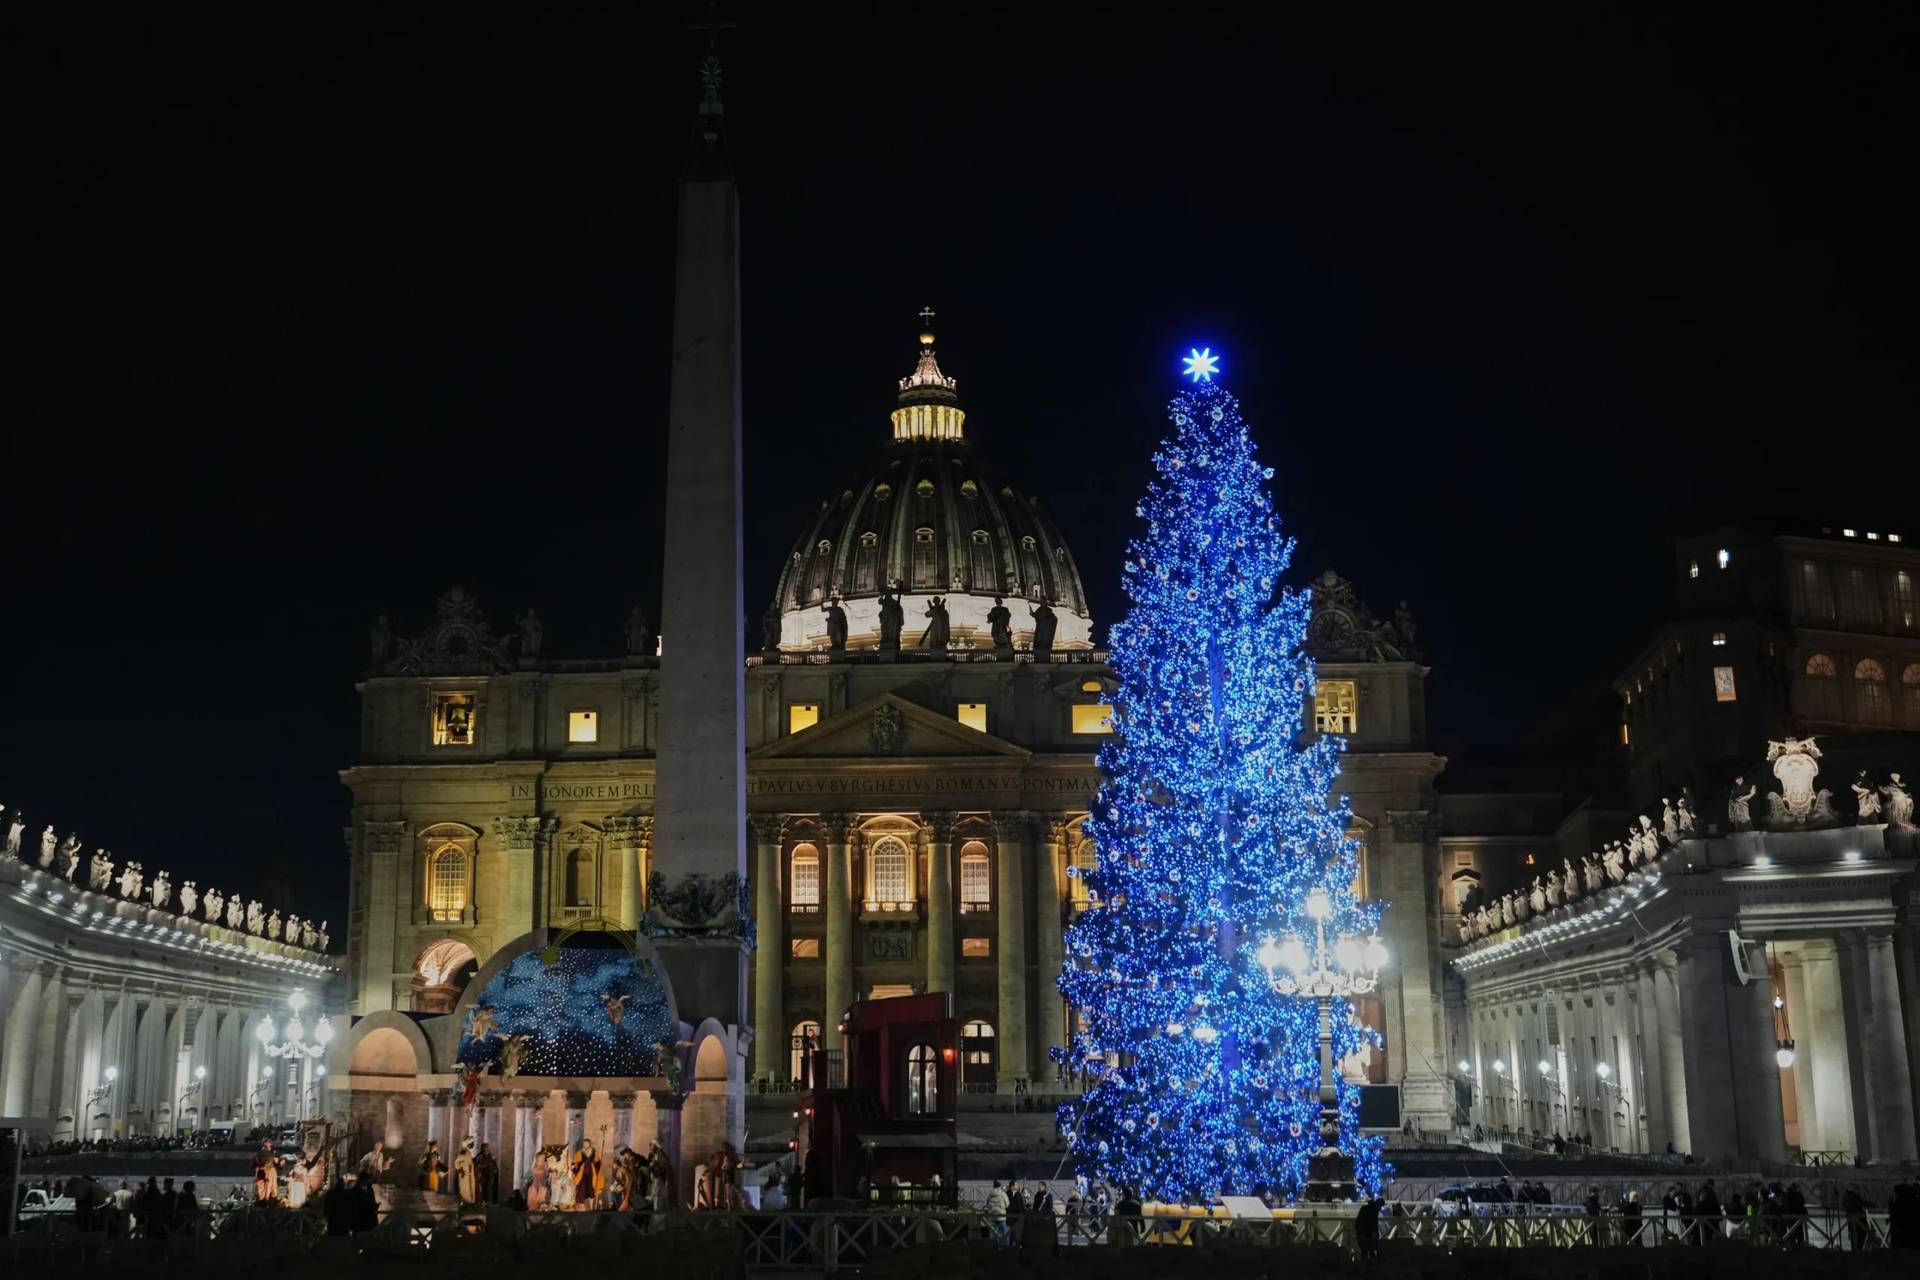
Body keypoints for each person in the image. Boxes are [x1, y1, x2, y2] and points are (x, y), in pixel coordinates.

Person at [1355, 1195, 1382, 1262]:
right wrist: (1376, 1234)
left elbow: (1358, 1221)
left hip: (1360, 1232)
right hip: (1367, 1234)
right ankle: (1370, 1268)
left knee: (1363, 1252)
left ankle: (1363, 1268)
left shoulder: (1364, 1208)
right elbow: (1373, 1225)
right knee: (1371, 1251)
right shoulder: (1374, 1211)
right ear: (1378, 1205)